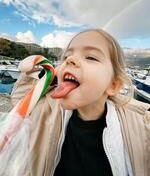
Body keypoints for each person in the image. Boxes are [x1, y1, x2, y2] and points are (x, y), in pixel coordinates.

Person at [11, 29, 150, 176]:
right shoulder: (50, 108)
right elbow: (20, 101)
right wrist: (47, 77)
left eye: (90, 57)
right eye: (67, 56)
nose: (70, 60)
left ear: (113, 85)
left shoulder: (142, 127)